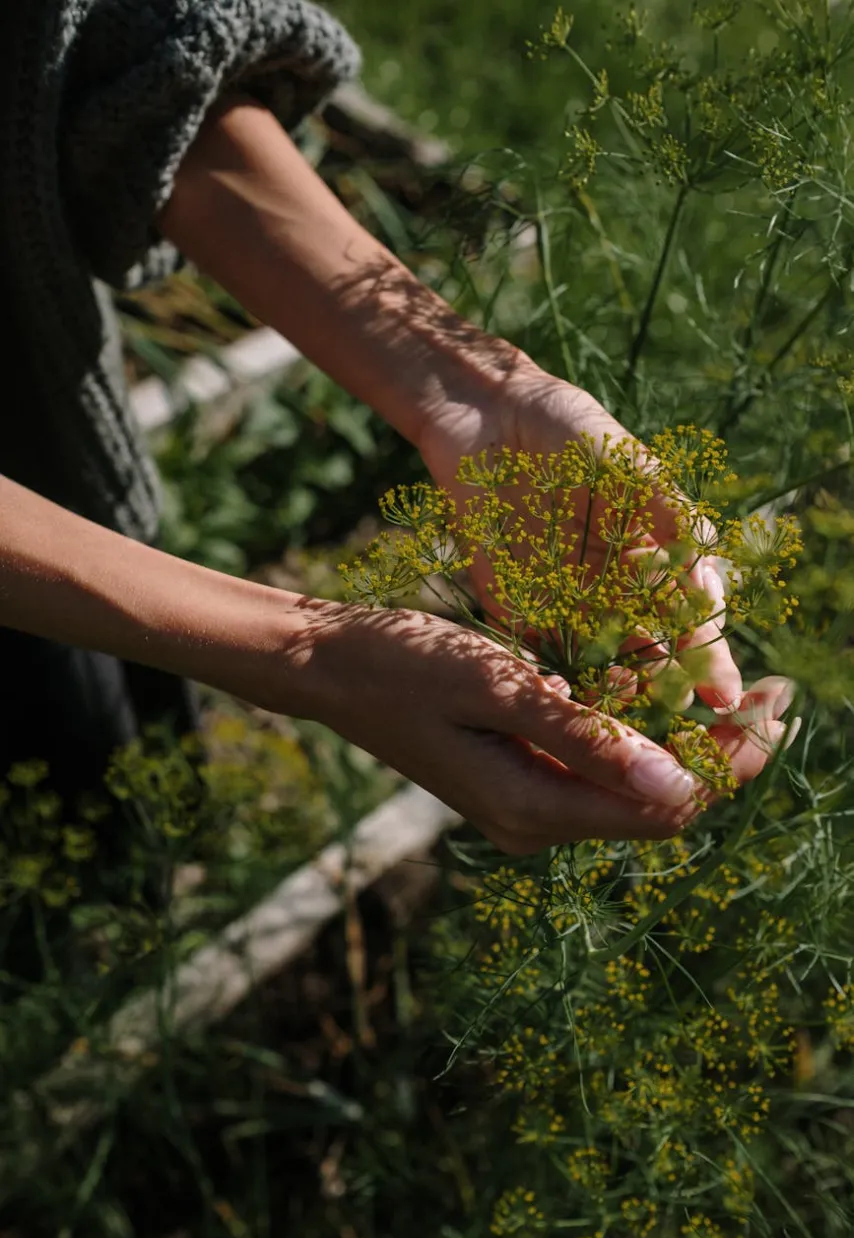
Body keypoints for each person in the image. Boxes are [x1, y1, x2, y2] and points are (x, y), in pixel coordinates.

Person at [0, 0, 794, 860]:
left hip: (58, 491)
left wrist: (482, 392)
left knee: (109, 794)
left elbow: (107, 54)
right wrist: (306, 655)